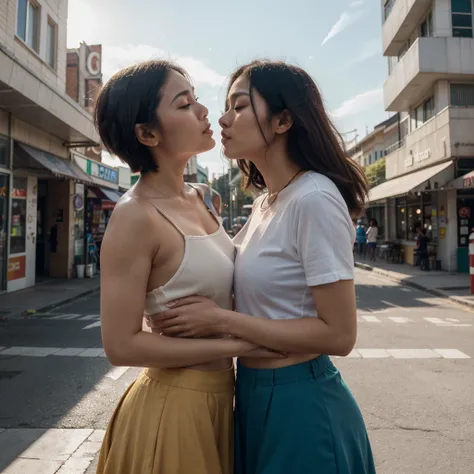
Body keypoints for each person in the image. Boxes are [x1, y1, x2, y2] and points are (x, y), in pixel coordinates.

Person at [150, 60, 376, 474]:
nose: (222, 118)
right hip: (251, 392)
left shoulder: (314, 198)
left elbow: (340, 334)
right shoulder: (264, 204)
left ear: (283, 119)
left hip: (301, 402)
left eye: (239, 106)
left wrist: (221, 320)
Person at [94, 60, 278, 474]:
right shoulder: (134, 216)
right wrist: (237, 345)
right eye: (184, 104)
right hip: (173, 408)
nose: (203, 112)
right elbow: (121, 346)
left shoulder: (204, 197)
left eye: (195, 99)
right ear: (147, 133)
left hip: (223, 398)